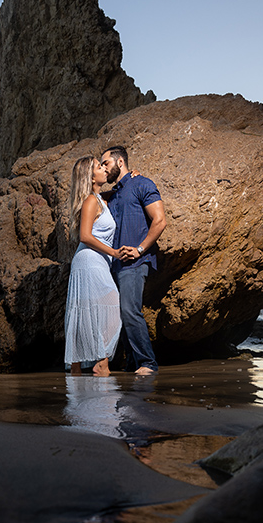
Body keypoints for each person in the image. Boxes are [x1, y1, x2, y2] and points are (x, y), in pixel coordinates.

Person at [100, 146, 167, 375]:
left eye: (106, 163)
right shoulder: (113, 194)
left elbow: (159, 220)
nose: (103, 168)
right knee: (120, 314)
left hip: (135, 263)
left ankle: (148, 363)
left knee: (130, 310)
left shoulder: (142, 183)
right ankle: (131, 364)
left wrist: (139, 249)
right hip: (115, 265)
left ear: (120, 162)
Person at [64, 156, 125, 377]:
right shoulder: (90, 201)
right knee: (108, 307)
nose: (104, 169)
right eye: (100, 167)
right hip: (89, 261)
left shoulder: (99, 200)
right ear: (90, 177)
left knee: (89, 312)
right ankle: (100, 362)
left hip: (97, 262)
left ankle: (78, 368)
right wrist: (114, 253)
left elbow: (117, 193)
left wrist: (131, 177)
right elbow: (85, 236)